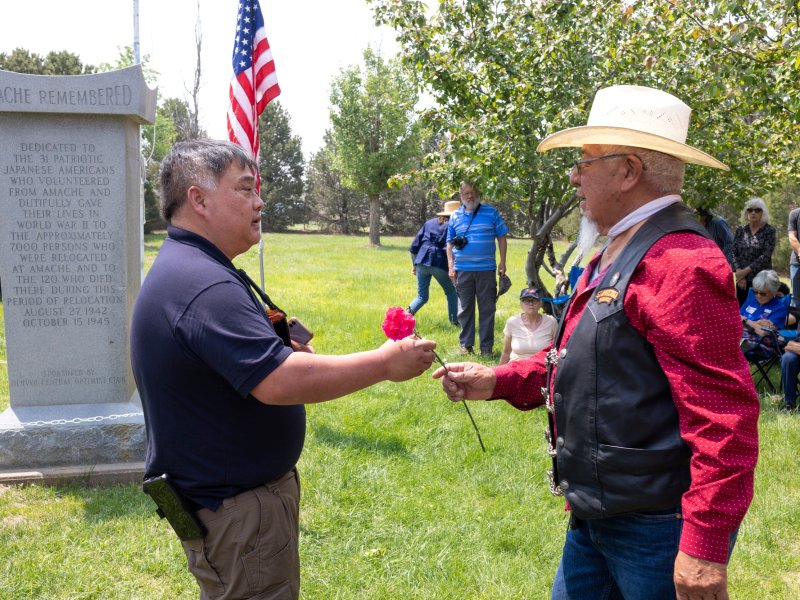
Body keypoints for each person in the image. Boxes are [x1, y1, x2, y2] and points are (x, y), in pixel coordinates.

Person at [433, 85, 759, 600]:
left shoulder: (680, 262)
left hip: (656, 530)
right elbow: (584, 358)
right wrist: (498, 379)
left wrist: (705, 544)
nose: (574, 175)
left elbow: (725, 418)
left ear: (628, 171)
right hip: (596, 519)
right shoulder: (613, 250)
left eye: (585, 160)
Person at [130, 139, 436, 600]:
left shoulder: (193, 268)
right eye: (245, 189)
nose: (259, 202)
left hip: (228, 505)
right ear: (199, 199)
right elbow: (279, 382)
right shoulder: (202, 284)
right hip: (237, 512)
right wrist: (384, 363)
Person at [446, 181, 509, 355]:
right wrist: (451, 267)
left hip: (486, 269)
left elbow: (502, 237)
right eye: (466, 193)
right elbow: (449, 244)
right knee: (465, 309)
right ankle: (466, 346)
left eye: (473, 192)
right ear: (461, 196)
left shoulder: (491, 212)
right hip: (462, 269)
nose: (470, 196)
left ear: (479, 194)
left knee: (487, 308)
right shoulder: (455, 216)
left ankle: (486, 348)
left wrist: (503, 262)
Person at [407, 200, 459, 325]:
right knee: (452, 292)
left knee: (422, 296)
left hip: (421, 261)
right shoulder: (454, 225)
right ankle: (454, 322)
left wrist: (414, 265)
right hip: (439, 262)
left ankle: (404, 317)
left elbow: (413, 247)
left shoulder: (429, 223)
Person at [731, 197, 776, 306]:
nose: (753, 213)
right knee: (742, 311)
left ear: (763, 213)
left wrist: (744, 272)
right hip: (742, 281)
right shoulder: (740, 230)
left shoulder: (769, 231)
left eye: (757, 210)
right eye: (750, 210)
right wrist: (739, 273)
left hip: (762, 279)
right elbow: (733, 252)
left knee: (759, 311)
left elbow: (765, 256)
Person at [498, 287, 557, 365]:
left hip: (541, 367)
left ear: (540, 304)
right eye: (526, 301)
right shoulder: (512, 322)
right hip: (516, 367)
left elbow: (557, 349)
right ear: (521, 304)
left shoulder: (551, 322)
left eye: (534, 300)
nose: (530, 303)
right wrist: (500, 373)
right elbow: (506, 351)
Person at [739, 269, 788, 361]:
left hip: (761, 342)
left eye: (762, 293)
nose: (758, 296)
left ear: (774, 291)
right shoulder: (752, 300)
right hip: (742, 335)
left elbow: (763, 332)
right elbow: (736, 316)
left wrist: (744, 320)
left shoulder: (779, 307)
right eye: (755, 292)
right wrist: (752, 323)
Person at [787, 204, 800, 308]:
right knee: (796, 299)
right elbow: (792, 236)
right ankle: (794, 324)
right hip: (797, 263)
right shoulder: (795, 214)